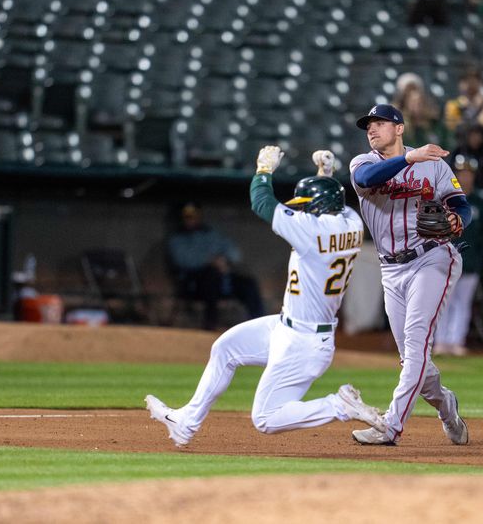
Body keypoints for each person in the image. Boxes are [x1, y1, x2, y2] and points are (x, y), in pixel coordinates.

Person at [145, 146, 385, 447]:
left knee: (265, 419)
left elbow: (261, 202)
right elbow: (329, 205)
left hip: (303, 341)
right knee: (226, 348)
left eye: (306, 205)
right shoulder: (351, 220)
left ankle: (338, 405)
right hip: (292, 327)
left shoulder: (310, 231)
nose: (301, 210)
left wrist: (263, 169)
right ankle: (186, 422)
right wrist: (325, 175)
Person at [348, 103, 471, 446]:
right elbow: (365, 181)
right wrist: (408, 160)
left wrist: (458, 220)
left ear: (399, 128)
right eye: (368, 125)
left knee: (416, 349)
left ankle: (390, 426)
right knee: (412, 362)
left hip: (431, 259)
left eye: (379, 123)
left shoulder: (434, 163)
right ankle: (447, 406)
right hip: (391, 269)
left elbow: (461, 203)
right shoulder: (364, 163)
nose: (371, 129)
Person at [166, 201, 264, 330]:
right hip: (194, 283)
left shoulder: (210, 234)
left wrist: (224, 260)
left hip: (221, 279)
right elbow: (183, 260)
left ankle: (258, 325)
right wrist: (209, 261)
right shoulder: (177, 239)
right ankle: (210, 325)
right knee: (210, 276)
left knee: (248, 284)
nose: (191, 220)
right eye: (188, 217)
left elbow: (234, 253)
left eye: (194, 216)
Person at [435, 164, 483, 356]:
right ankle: (441, 342)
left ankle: (456, 341)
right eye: (462, 172)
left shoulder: (479, 202)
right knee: (443, 303)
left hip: (471, 262)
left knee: (463, 302)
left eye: (469, 173)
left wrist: (481, 253)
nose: (465, 176)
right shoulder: (445, 198)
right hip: (445, 261)